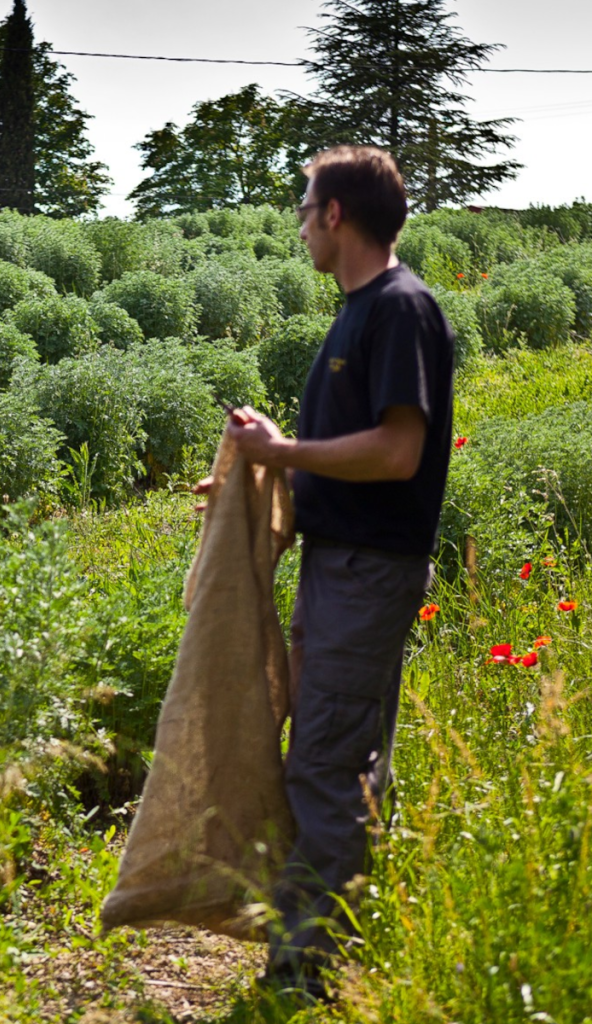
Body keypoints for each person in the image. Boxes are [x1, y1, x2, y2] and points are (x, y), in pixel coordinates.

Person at [198, 146, 455, 1002]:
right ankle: (344, 937)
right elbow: (347, 460)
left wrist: (283, 453)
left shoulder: (400, 309)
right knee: (343, 756)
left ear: (336, 214)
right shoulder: (357, 313)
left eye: (306, 208)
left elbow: (397, 452)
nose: (301, 224)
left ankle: (305, 972)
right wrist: (254, 484)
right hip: (340, 565)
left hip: (367, 572)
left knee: (322, 762)